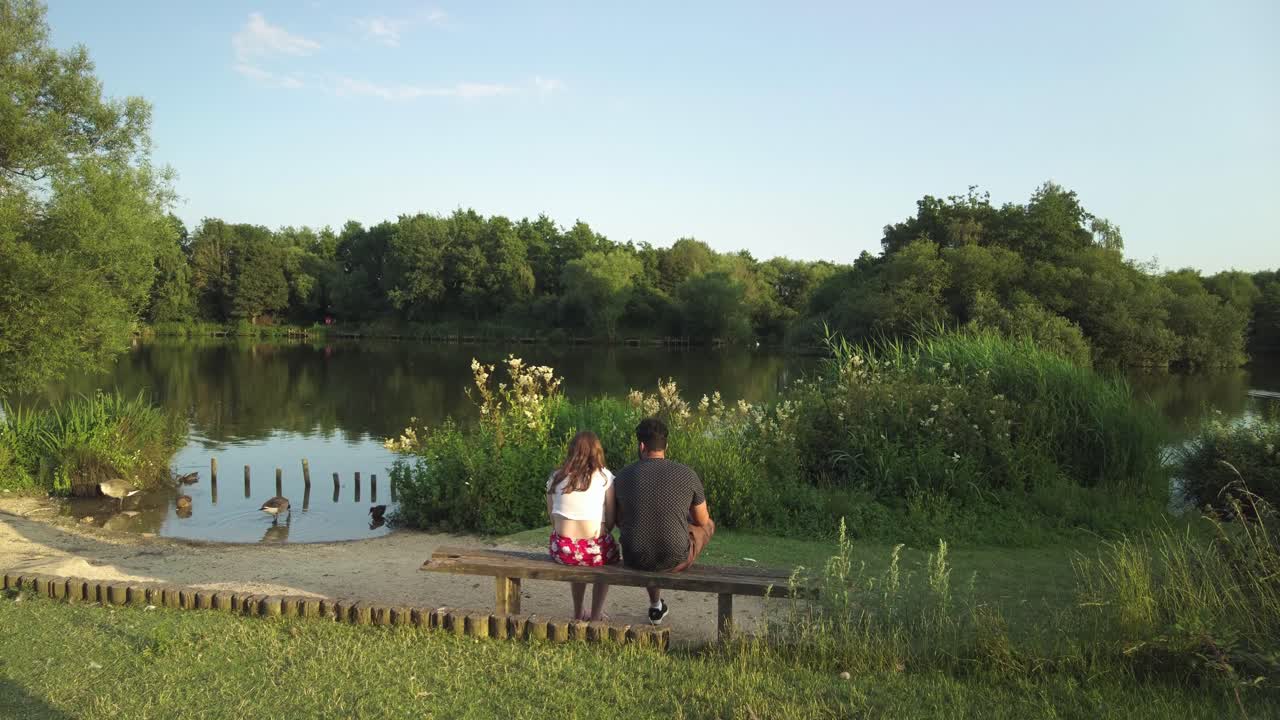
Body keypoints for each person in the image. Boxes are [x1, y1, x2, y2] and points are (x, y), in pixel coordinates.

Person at [613, 417, 715, 624]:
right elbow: (702, 520)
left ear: (641, 446)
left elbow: (618, 520)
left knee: (648, 533)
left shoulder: (622, 477)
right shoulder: (687, 474)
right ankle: (677, 554)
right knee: (709, 525)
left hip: (635, 557)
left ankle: (656, 605)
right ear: (666, 446)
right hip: (674, 558)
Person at [546, 430, 619, 621]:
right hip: (594, 551)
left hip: (563, 550)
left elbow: (552, 518)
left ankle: (578, 612)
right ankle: (595, 615)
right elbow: (611, 519)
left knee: (578, 555)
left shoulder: (556, 477)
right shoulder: (605, 477)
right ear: (597, 452)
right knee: (606, 560)